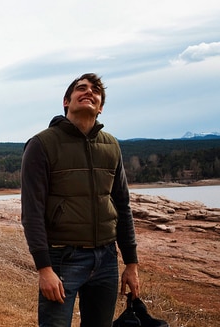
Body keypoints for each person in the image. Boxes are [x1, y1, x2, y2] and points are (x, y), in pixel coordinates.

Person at [20, 73, 141, 327]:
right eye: (81, 88)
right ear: (66, 101)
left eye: (95, 90)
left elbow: (122, 205)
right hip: (63, 260)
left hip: (107, 258)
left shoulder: (111, 146)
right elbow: (32, 213)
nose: (89, 92)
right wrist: (44, 269)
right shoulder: (41, 144)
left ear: (100, 107)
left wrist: (131, 263)